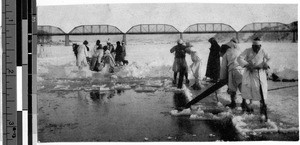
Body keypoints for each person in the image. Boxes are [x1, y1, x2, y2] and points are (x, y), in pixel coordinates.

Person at [237, 38, 271, 114]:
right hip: (250, 72)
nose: (256, 49)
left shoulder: (263, 51)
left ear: (260, 46)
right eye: (254, 47)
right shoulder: (247, 50)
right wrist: (247, 65)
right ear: (252, 46)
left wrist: (266, 64)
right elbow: (239, 58)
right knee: (248, 88)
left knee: (261, 88)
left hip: (260, 73)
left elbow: (270, 58)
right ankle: (248, 104)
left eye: (257, 47)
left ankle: (262, 104)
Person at [219, 38, 243, 109]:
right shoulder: (239, 51)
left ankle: (233, 103)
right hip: (242, 70)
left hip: (233, 71)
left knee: (232, 88)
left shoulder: (227, 53)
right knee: (242, 87)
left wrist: (222, 78)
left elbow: (224, 67)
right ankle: (244, 103)